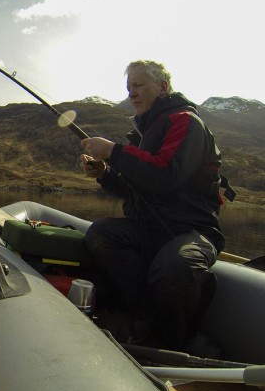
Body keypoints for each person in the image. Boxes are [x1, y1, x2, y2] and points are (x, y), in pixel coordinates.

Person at [79, 60, 226, 352]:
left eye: (139, 85)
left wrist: (113, 151)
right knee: (102, 234)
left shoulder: (185, 123)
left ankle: (173, 343)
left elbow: (164, 175)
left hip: (191, 231)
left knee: (176, 267)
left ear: (163, 87)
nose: (132, 93)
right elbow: (133, 187)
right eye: (129, 88)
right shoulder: (142, 136)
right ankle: (143, 320)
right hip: (148, 229)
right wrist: (104, 174)